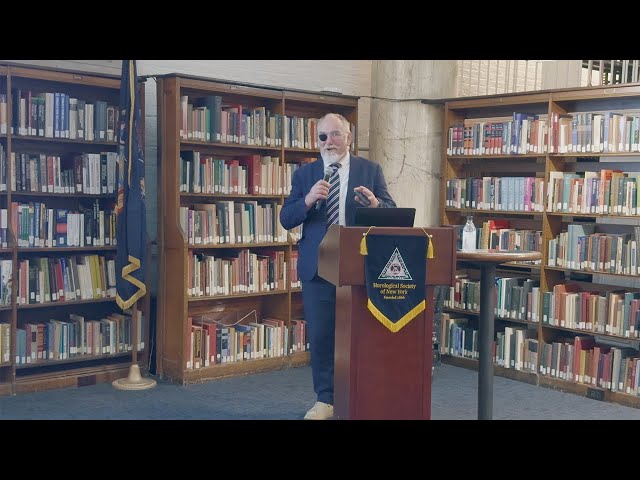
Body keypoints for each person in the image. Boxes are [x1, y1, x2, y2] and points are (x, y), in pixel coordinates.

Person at [280, 113, 396, 420]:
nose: (328, 142)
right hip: (318, 266)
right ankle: (325, 399)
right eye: (322, 136)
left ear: (349, 138)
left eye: (335, 135)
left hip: (360, 265)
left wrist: (376, 206)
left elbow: (392, 212)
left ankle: (361, 394)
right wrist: (307, 201)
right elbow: (286, 219)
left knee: (362, 334)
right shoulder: (305, 174)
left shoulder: (369, 170)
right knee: (321, 335)